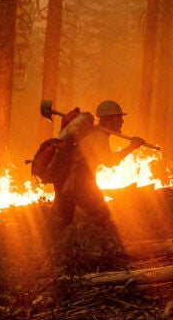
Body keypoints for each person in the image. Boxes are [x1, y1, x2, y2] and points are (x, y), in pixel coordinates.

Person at [51, 99, 145, 231]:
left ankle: (54, 246)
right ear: (108, 119)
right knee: (103, 215)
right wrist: (132, 147)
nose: (122, 121)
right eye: (118, 117)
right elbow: (110, 162)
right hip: (79, 181)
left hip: (69, 181)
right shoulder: (99, 137)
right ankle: (97, 246)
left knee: (62, 221)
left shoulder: (96, 134)